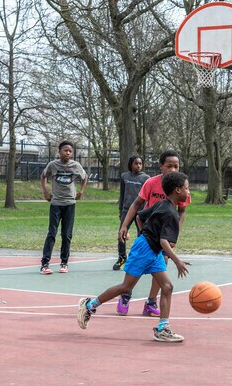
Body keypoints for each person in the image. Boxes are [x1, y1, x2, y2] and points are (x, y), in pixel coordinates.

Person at [77, 171, 191, 342]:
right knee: (125, 287)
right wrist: (177, 261)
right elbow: (164, 241)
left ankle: (162, 329)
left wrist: (145, 234)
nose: (189, 192)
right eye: (187, 188)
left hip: (152, 250)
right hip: (147, 249)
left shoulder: (162, 204)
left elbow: (140, 217)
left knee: (167, 287)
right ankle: (89, 306)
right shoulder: (171, 214)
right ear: (177, 190)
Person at [116, 150, 191, 317]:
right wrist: (125, 226)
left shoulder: (181, 187)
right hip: (149, 232)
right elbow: (136, 205)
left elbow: (182, 211)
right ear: (161, 167)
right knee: (137, 267)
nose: (173, 169)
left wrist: (174, 233)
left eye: (176, 166)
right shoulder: (151, 183)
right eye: (169, 166)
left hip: (165, 233)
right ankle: (126, 294)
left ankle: (150, 302)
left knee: (161, 267)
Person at [39, 140, 87, 275]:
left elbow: (84, 177)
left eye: (70, 151)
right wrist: (45, 191)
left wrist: (81, 191)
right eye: (65, 150)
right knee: (52, 233)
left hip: (70, 204)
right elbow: (43, 176)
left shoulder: (75, 166)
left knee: (66, 235)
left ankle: (64, 263)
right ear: (59, 151)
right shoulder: (53, 165)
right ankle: (45, 264)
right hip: (56, 204)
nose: (68, 153)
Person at [113, 155, 150, 270]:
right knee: (121, 234)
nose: (138, 166)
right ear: (130, 164)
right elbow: (122, 195)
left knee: (142, 236)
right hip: (126, 210)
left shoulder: (146, 178)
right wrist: (121, 211)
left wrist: (147, 212)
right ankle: (122, 257)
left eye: (140, 163)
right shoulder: (124, 176)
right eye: (136, 163)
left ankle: (141, 258)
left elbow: (148, 197)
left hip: (141, 212)